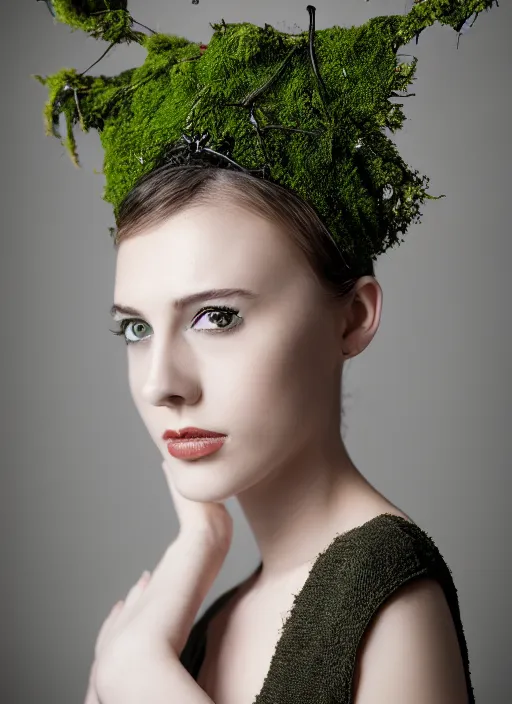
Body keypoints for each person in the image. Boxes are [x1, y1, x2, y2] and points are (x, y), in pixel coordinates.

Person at [35, 1, 498, 702]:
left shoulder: (387, 599)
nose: (162, 382)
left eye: (217, 316)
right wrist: (195, 554)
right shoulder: (210, 622)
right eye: (136, 328)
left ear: (353, 317)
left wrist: (140, 682)